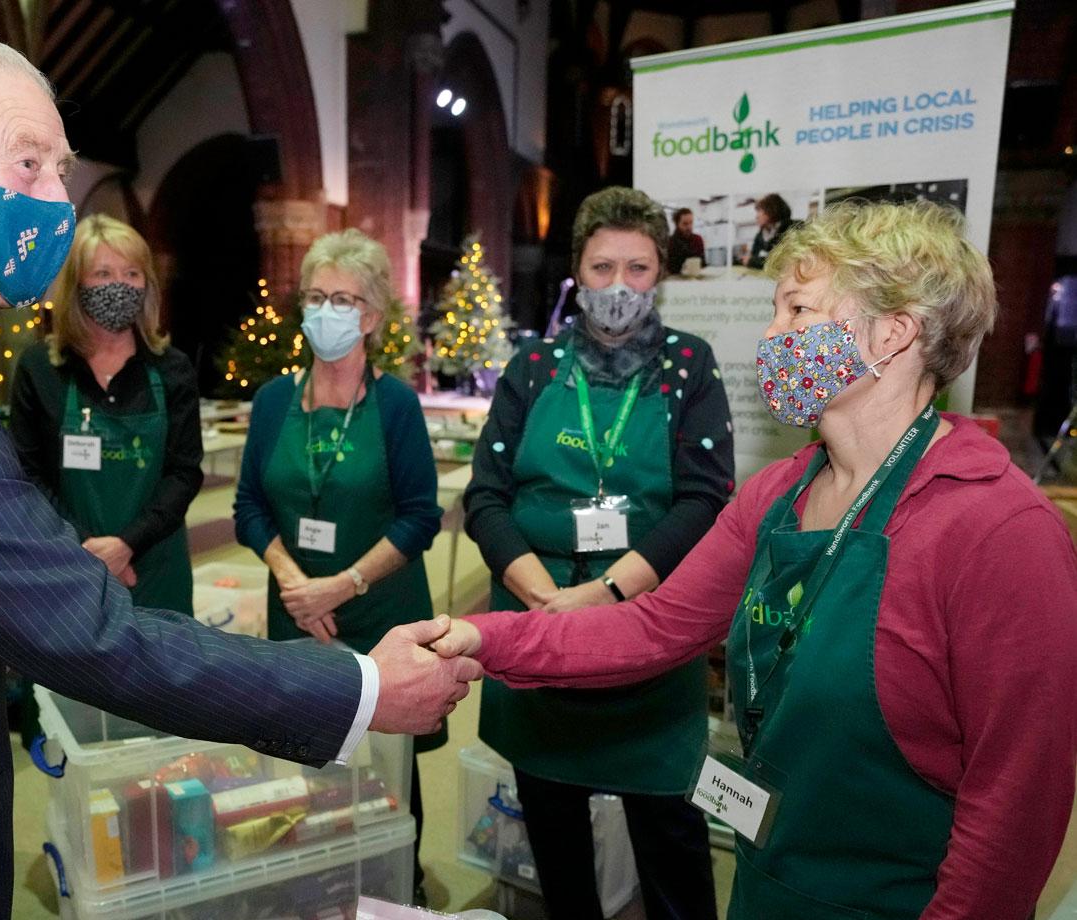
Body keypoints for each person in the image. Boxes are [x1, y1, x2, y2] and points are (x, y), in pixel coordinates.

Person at [0, 25, 480, 919]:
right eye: (27, 164)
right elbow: (87, 630)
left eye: (59, 170)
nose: (54, 201)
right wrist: (363, 688)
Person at [439, 200, 1077, 920]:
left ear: (895, 333)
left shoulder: (1001, 532)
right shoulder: (780, 493)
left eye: (797, 311)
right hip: (767, 882)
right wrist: (482, 637)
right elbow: (654, 629)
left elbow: (1013, 813)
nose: (772, 336)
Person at [463, 186, 732, 920]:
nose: (619, 287)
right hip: (538, 630)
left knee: (668, 834)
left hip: (646, 629)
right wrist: (541, 597)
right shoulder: (534, 368)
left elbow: (704, 499)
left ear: (661, 276)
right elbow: (485, 497)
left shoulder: (689, 367)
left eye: (638, 269)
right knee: (553, 828)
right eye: (603, 266)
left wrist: (607, 594)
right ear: (577, 274)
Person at [234, 229, 443, 902]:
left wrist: (342, 585)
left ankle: (392, 894)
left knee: (387, 781)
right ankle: (309, 896)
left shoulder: (397, 405)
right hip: (297, 618)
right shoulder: (272, 403)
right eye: (317, 296)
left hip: (380, 621)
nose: (328, 311)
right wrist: (298, 585)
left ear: (373, 316)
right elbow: (248, 508)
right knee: (302, 776)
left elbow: (419, 516)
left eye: (345, 299)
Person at [10, 213, 200, 613]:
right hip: (68, 563)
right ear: (76, 284)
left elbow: (184, 473)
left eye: (132, 273)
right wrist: (89, 548)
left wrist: (127, 545)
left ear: (147, 284)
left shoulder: (172, 368)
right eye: (103, 273)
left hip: (154, 566)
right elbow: (27, 475)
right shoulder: (40, 369)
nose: (120, 285)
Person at [742, 192, 793, 269]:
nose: (756, 216)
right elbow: (755, 256)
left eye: (759, 211)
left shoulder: (791, 228)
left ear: (771, 211)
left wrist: (752, 261)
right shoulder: (760, 235)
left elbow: (782, 262)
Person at [668, 207, 705, 274]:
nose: (689, 227)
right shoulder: (670, 242)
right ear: (677, 224)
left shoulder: (698, 240)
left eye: (691, 222)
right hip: (676, 280)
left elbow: (703, 264)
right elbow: (670, 268)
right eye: (685, 224)